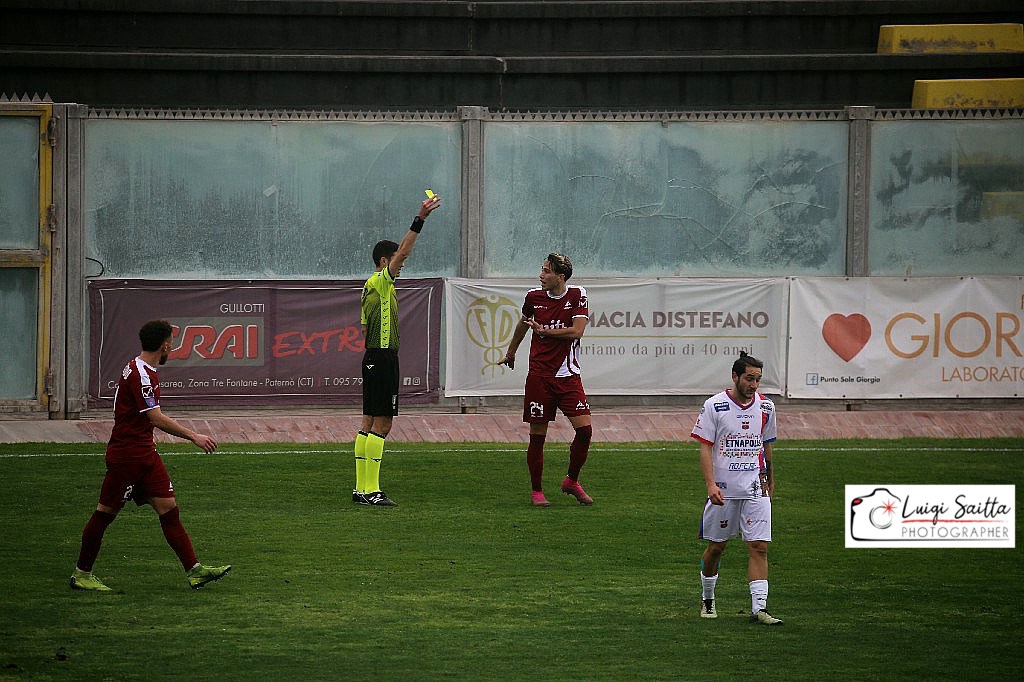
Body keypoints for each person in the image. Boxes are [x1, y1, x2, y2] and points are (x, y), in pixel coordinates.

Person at [70, 320, 231, 592]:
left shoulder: (138, 367)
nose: (174, 347)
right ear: (165, 345)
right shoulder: (142, 374)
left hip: (145, 454)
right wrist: (194, 436)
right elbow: (154, 417)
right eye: (173, 342)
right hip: (128, 456)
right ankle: (82, 574)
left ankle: (195, 570)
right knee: (105, 513)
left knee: (169, 509)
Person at [352, 193, 441, 506]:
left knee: (367, 422)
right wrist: (421, 218)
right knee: (383, 424)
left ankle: (361, 488)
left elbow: (363, 327)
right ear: (383, 262)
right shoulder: (380, 281)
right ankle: (372, 490)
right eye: (396, 262)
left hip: (372, 358)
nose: (402, 265)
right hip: (383, 358)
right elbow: (403, 252)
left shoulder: (370, 287)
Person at [690, 351, 782, 625]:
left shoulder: (766, 408)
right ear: (735, 377)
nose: (754, 385)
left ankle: (759, 608)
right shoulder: (714, 406)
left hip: (756, 488)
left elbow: (767, 445)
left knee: (759, 546)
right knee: (716, 548)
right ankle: (708, 598)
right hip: (724, 491)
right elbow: (705, 447)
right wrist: (710, 485)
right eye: (749, 378)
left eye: (758, 380)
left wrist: (771, 479)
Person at [500, 253, 594, 507]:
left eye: (546, 272)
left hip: (568, 377)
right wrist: (511, 351)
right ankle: (537, 491)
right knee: (537, 435)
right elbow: (523, 323)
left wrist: (546, 331)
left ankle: (571, 481)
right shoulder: (533, 297)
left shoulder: (577, 295)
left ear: (560, 277)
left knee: (585, 431)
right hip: (539, 377)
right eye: (541, 270)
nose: (541, 275)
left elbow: (577, 331)